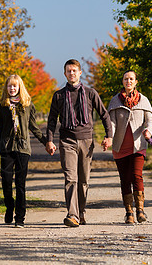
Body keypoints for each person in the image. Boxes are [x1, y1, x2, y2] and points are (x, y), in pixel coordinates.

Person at [45, 59, 112, 227]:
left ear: (80, 73)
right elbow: (52, 120)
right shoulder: (59, 95)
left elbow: (104, 115)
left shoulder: (90, 93)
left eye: (74, 70)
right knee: (71, 178)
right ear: (65, 73)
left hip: (86, 141)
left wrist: (108, 136)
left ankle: (81, 212)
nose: (71, 73)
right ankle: (72, 214)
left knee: (83, 181)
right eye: (68, 71)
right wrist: (49, 140)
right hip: (67, 141)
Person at [0, 74, 52, 228]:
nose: (12, 88)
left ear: (20, 87)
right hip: (6, 148)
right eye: (9, 86)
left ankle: (20, 217)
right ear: (6, 88)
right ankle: (9, 207)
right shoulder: (2, 107)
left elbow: (34, 127)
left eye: (15, 86)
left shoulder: (27, 105)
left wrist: (46, 142)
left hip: (23, 148)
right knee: (6, 181)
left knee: (20, 184)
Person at [107, 70, 152, 224]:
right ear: (122, 81)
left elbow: (150, 121)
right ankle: (129, 212)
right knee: (125, 179)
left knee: (137, 176)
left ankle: (140, 210)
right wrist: (109, 137)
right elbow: (112, 123)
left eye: (131, 79)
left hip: (138, 145)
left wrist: (148, 131)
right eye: (126, 79)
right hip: (120, 146)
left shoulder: (143, 100)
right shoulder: (115, 101)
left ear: (136, 82)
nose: (128, 81)